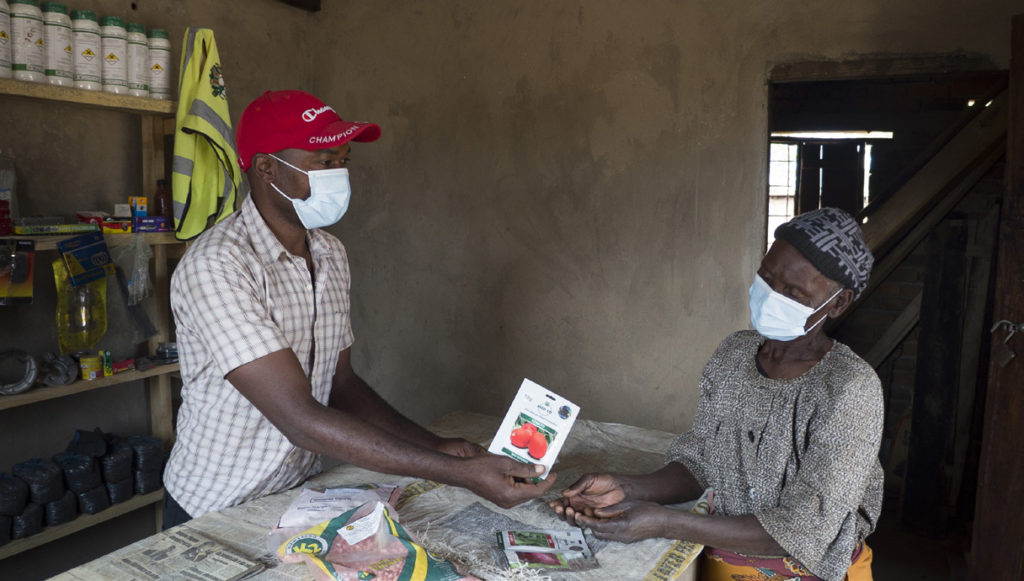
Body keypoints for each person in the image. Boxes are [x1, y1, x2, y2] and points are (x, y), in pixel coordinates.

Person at [162, 90, 554, 528]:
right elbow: (300, 419)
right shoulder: (217, 266)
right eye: (324, 162)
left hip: (292, 496)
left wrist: (434, 447)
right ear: (267, 167)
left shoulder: (329, 253)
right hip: (215, 507)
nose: (339, 176)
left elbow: (340, 384)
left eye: (344, 161)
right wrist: (458, 474)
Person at [550, 208, 882, 581]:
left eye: (794, 293)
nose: (772, 296)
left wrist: (664, 522)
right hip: (724, 563)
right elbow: (702, 463)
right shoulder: (734, 355)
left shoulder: (849, 389)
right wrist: (628, 488)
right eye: (767, 277)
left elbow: (802, 529)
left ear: (837, 303)